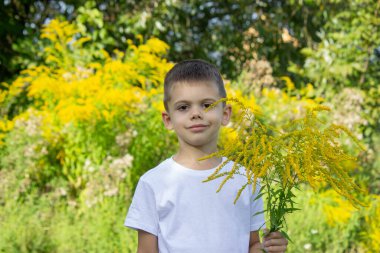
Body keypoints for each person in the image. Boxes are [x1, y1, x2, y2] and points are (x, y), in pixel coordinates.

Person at [125, 59, 288, 253]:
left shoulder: (246, 180)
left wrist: (269, 248)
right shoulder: (153, 183)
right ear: (168, 119)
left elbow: (252, 244)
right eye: (183, 107)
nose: (196, 114)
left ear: (225, 114)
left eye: (207, 105)